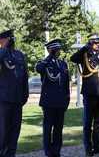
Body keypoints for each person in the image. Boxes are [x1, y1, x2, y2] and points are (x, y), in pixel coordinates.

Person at [70, 33, 99, 157]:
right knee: (88, 122)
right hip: (90, 93)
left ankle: (97, 147)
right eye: (94, 42)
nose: (98, 44)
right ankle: (88, 148)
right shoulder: (85, 55)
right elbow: (73, 58)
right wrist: (84, 48)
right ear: (90, 43)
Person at [36, 39, 70, 157]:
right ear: (50, 50)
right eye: (56, 49)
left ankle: (56, 151)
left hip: (60, 102)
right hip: (49, 102)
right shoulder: (44, 63)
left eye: (59, 49)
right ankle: (48, 152)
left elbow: (66, 83)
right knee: (48, 128)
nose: (58, 51)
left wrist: (67, 99)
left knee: (58, 128)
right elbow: (39, 69)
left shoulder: (63, 64)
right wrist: (49, 56)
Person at [0, 29, 29, 157]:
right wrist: (5, 47)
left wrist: (25, 95)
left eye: (12, 38)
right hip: (4, 100)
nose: (12, 40)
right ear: (2, 40)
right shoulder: (2, 53)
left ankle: (11, 154)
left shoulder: (19, 55)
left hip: (17, 99)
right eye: (8, 38)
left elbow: (24, 76)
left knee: (15, 131)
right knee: (3, 131)